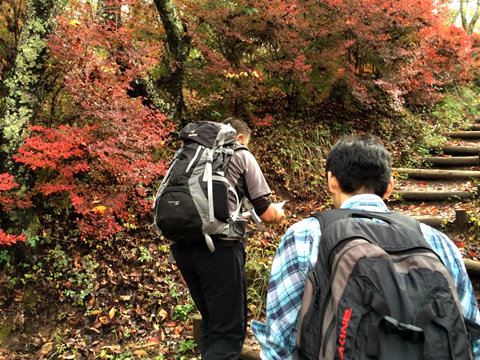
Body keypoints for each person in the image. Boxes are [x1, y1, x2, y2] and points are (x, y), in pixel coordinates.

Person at [251, 133, 480, 359]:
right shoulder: (437, 241)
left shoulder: (305, 235)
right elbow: (471, 336)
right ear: (390, 186)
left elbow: (280, 343)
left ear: (332, 180)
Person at [170, 117, 285, 359]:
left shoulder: (191, 155)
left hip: (182, 245)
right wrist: (280, 214)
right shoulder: (241, 153)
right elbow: (264, 210)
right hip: (219, 249)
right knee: (228, 336)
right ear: (240, 137)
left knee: (211, 324)